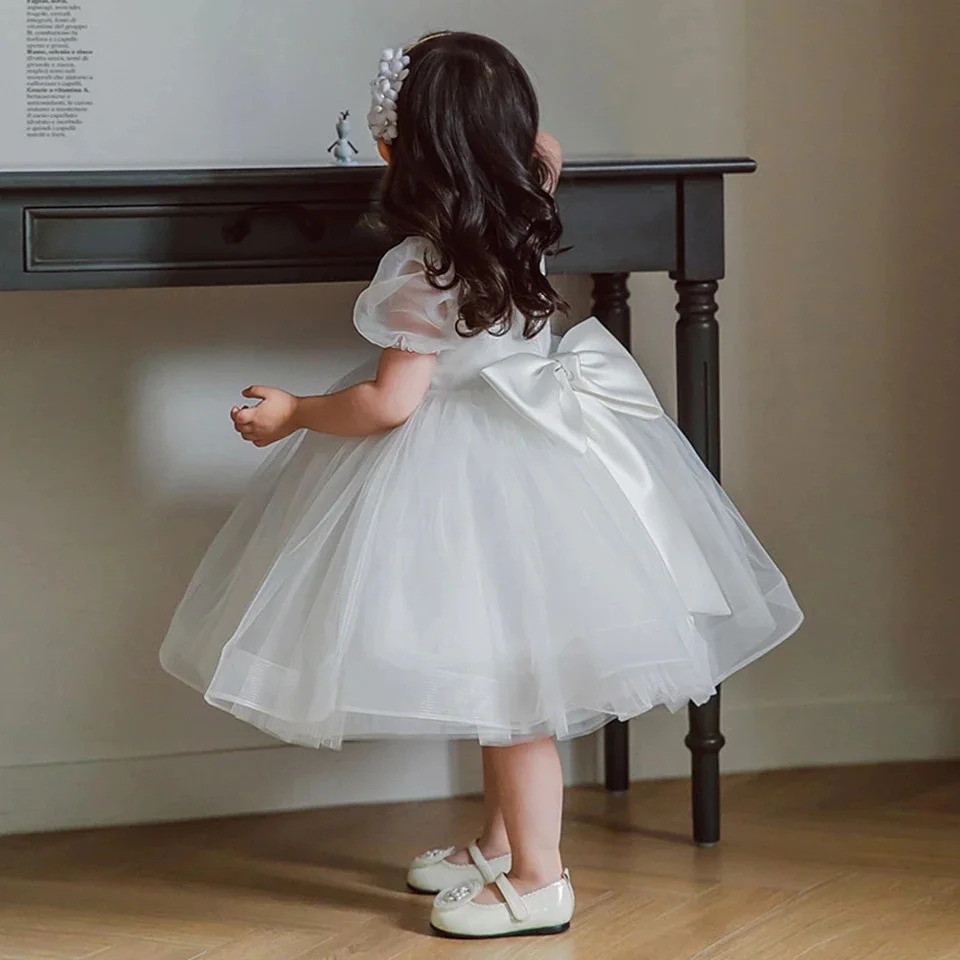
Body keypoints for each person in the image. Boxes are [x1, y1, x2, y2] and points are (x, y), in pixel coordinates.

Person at [159, 31, 802, 940]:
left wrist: (295, 412)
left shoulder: (423, 265)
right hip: (539, 463)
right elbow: (543, 150)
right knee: (499, 678)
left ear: (403, 151)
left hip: (471, 473)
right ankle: (499, 846)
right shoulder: (528, 202)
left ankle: (541, 879)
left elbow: (388, 405)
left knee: (515, 702)